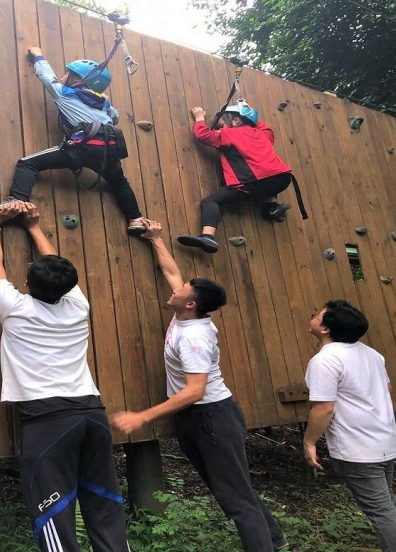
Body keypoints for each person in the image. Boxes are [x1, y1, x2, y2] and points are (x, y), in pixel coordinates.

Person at [110, 219, 292, 552]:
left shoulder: (193, 337)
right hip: (199, 418)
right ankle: (277, 541)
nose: (175, 290)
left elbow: (195, 390)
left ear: (190, 303)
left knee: (235, 498)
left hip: (211, 418)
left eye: (182, 291)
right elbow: (172, 274)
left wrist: (142, 417)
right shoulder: (187, 315)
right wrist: (156, 240)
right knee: (233, 488)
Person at [0, 201, 131, 552]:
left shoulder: (15, 307)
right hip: (92, 415)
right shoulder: (79, 306)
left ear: (25, 283)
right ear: (68, 287)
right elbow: (59, 268)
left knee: (54, 514)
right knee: (104, 501)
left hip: (48, 420)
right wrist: (34, 226)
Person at [0, 46, 145, 233]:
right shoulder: (104, 103)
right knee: (120, 183)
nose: (62, 77)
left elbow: (47, 77)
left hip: (81, 148)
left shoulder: (65, 93)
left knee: (27, 164)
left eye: (67, 74)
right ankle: (135, 219)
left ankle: (17, 202)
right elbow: (115, 117)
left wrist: (38, 55)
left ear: (78, 79)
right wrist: (105, 101)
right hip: (108, 151)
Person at [304, 300, 396, 552]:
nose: (313, 316)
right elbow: (386, 388)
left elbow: (324, 408)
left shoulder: (325, 360)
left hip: (358, 450)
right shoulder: (372, 354)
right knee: (386, 502)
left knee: (381, 511)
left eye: (317, 315)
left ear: (325, 330)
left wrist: (309, 442)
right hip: (385, 442)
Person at [178, 102, 305, 254]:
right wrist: (247, 112)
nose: (219, 129)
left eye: (221, 125)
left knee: (210, 202)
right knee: (269, 179)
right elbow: (267, 128)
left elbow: (203, 136)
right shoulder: (263, 134)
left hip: (253, 182)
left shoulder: (229, 134)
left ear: (236, 121)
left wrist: (199, 118)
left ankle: (208, 237)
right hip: (282, 179)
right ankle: (271, 207)